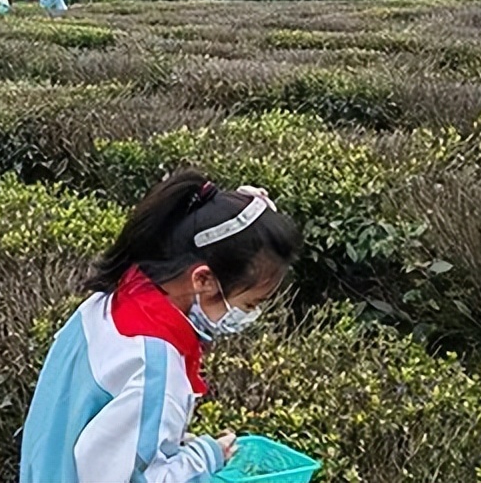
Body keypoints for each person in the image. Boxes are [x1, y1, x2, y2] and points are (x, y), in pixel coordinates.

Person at [20, 172, 302, 482]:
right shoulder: (154, 365)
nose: (251, 315)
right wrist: (207, 455)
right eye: (249, 304)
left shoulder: (107, 304)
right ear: (204, 280)